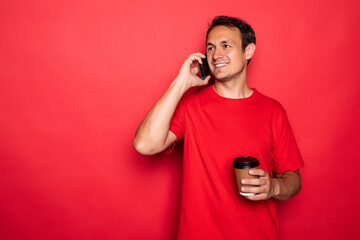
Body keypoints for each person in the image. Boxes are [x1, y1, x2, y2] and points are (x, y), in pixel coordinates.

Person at [133, 16, 304, 240]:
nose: (216, 55)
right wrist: (181, 83)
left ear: (248, 51)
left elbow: (293, 178)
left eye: (226, 45)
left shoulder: (273, 111)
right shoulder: (190, 106)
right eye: (211, 48)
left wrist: (273, 187)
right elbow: (145, 145)